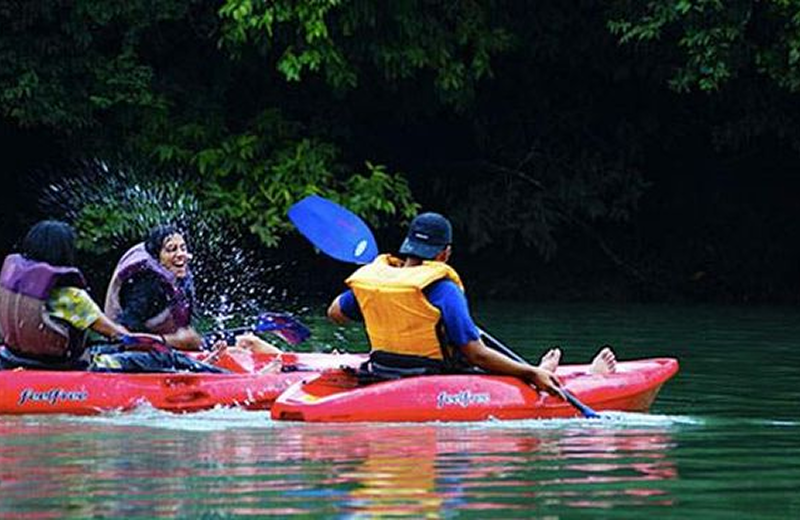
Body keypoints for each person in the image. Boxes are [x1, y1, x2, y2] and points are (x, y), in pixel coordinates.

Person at [327, 212, 617, 396]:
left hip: (381, 372)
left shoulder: (377, 281)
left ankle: (545, 371)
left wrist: (381, 302)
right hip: (436, 378)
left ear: (407, 247)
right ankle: (566, 376)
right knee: (514, 375)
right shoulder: (443, 288)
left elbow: (335, 313)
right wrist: (529, 373)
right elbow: (476, 354)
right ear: (445, 253)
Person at [0, 220, 159, 370]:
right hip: (63, 365)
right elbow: (117, 335)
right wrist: (157, 343)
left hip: (13, 357)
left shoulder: (13, 286)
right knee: (152, 359)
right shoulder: (72, 297)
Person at [105, 225, 281, 355]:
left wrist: (191, 343)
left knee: (248, 340)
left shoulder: (180, 281)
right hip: (153, 356)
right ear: (157, 257)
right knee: (239, 349)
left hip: (178, 349)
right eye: (171, 250)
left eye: (183, 248)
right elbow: (125, 335)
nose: (180, 254)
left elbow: (187, 333)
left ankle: (290, 368)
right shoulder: (147, 287)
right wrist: (174, 342)